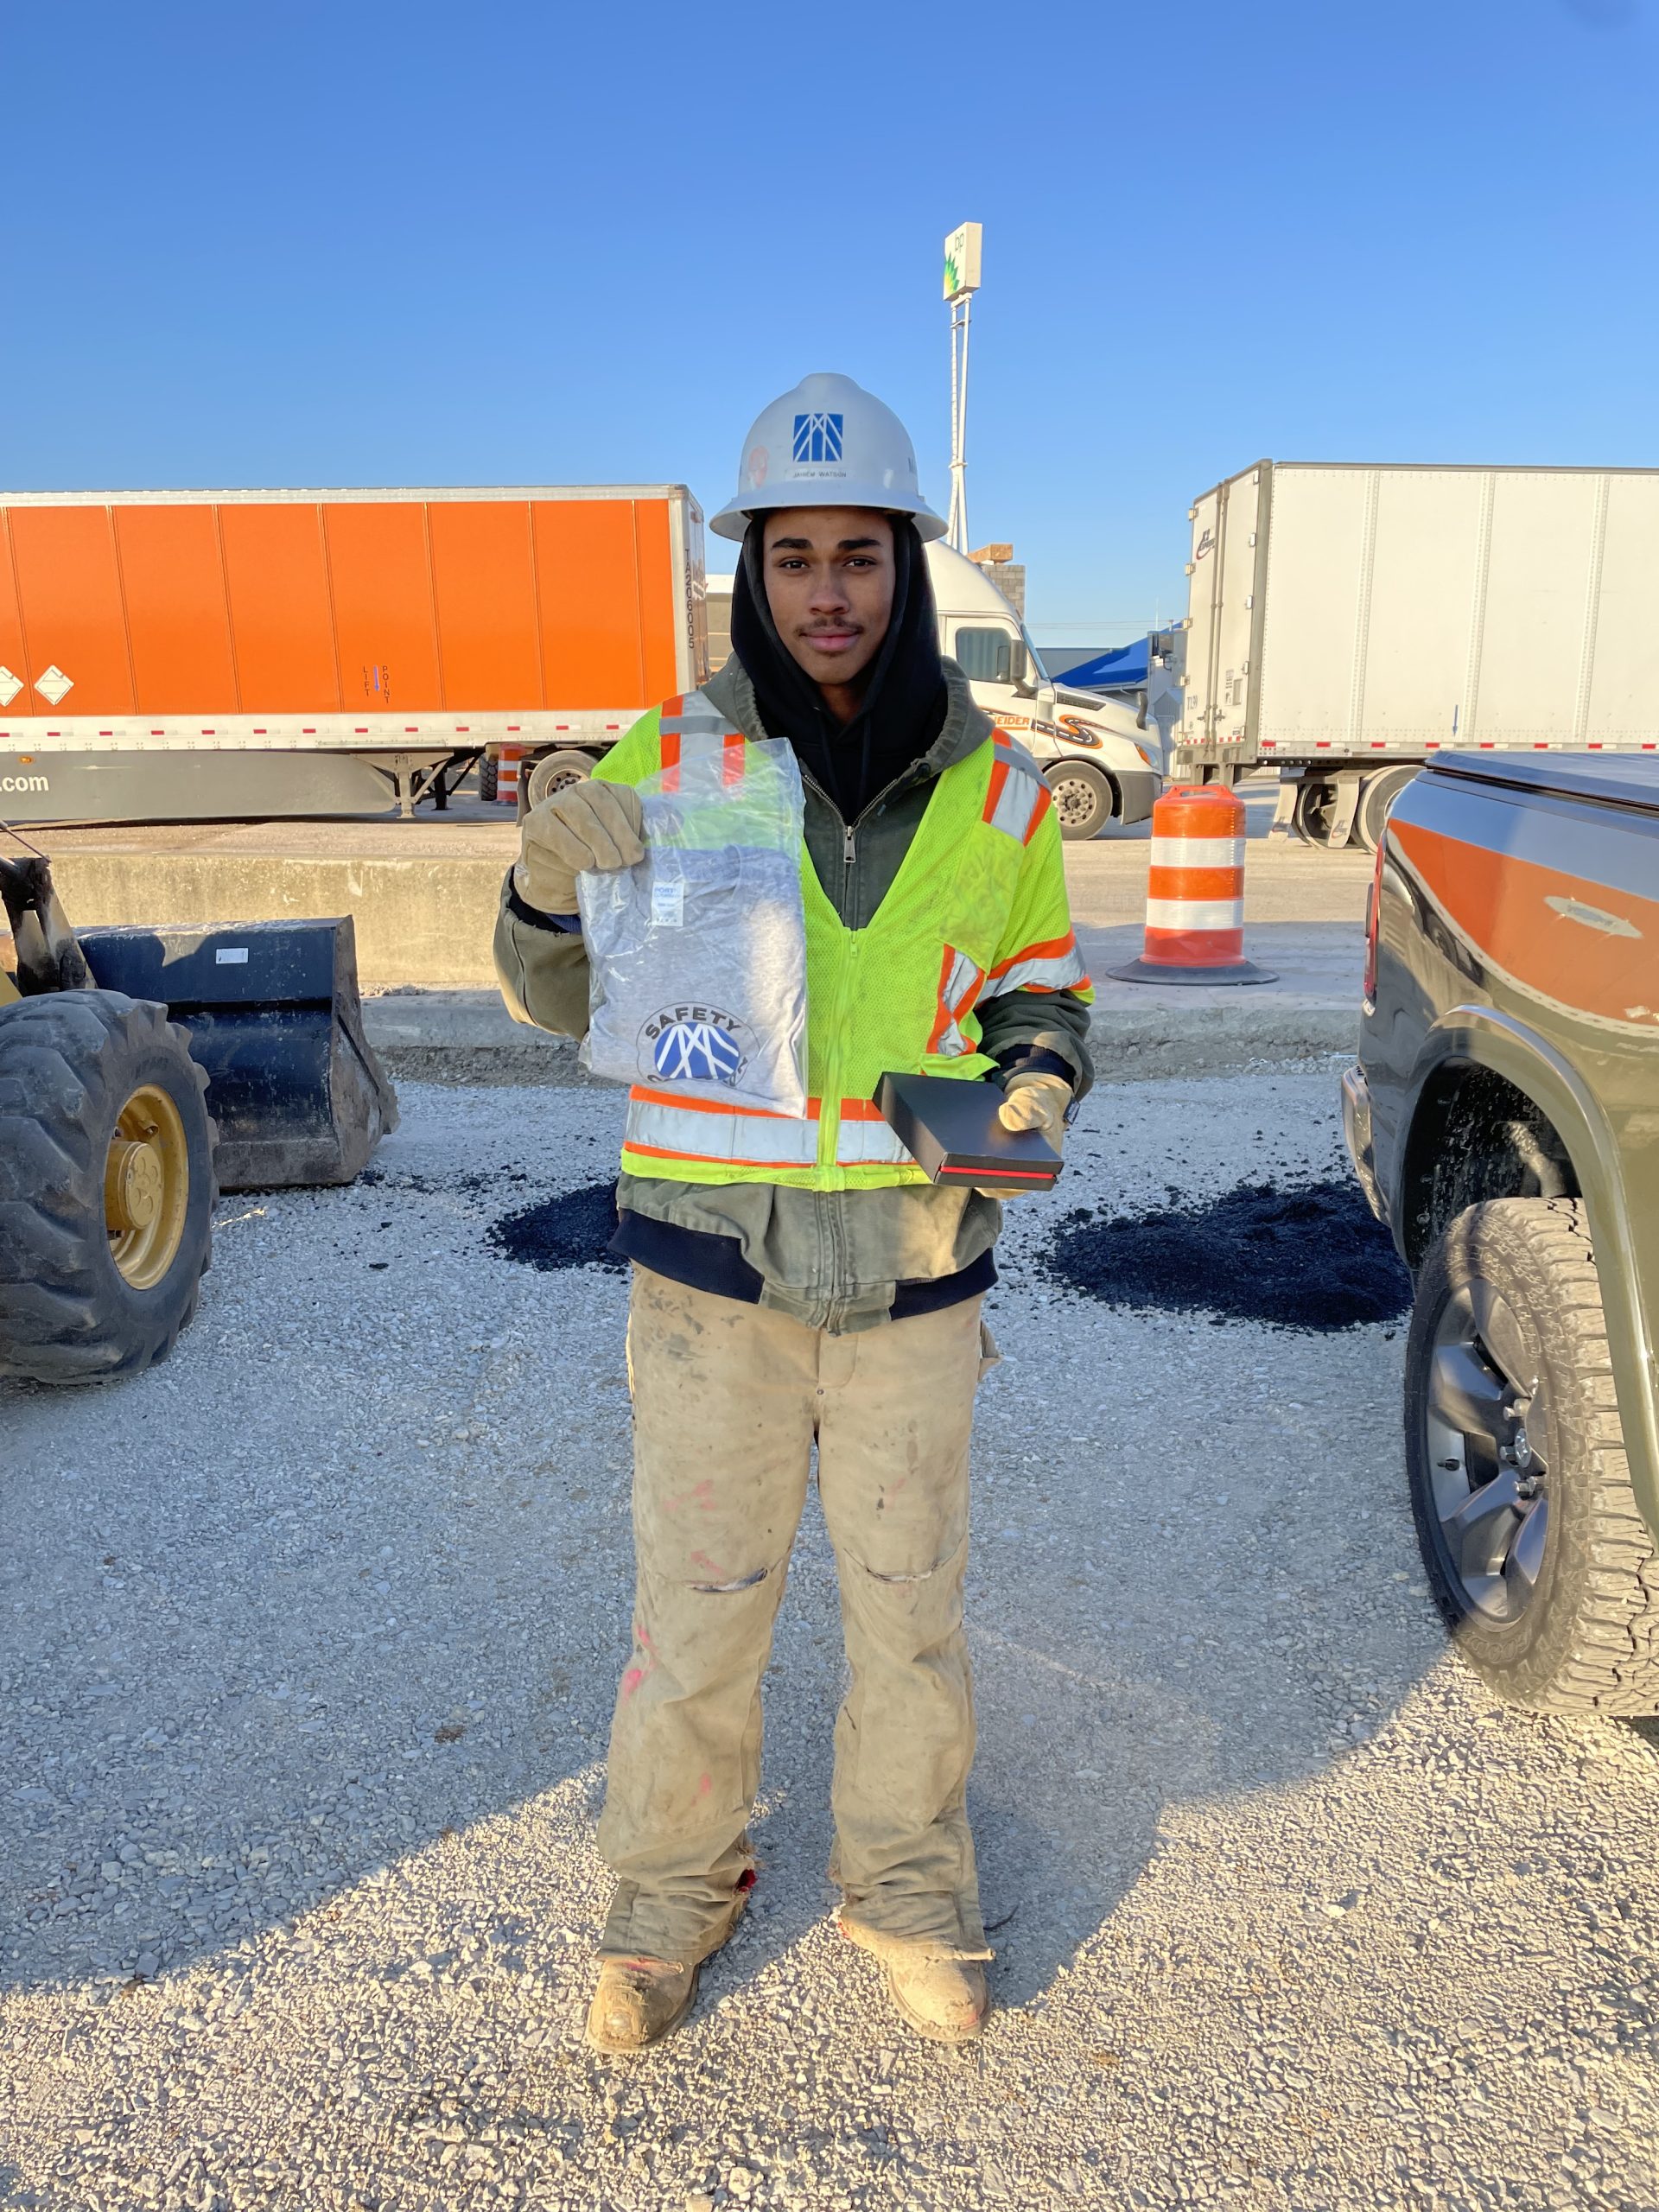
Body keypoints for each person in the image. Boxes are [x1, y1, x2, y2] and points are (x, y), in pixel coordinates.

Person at [494, 372, 1092, 2051]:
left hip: (914, 1274)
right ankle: (667, 1901)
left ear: (906, 566)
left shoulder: (1006, 796)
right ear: (753, 570)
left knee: (910, 1611)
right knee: (697, 1609)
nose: (828, 591)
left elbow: (1042, 999)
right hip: (713, 1282)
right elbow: (554, 989)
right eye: (795, 556)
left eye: (861, 556)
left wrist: (1036, 1085)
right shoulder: (672, 759)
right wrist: (547, 877)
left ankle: (905, 1884)